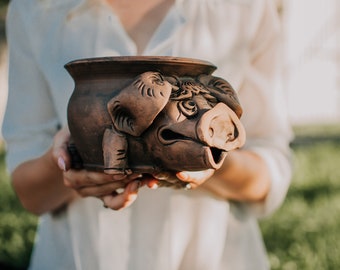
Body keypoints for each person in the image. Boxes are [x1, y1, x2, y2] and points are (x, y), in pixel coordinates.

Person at [3, 0, 293, 269]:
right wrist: (70, 160)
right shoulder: (35, 8)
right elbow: (29, 192)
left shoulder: (246, 6)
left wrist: (211, 158)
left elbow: (270, 170)